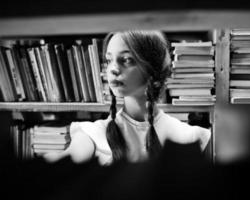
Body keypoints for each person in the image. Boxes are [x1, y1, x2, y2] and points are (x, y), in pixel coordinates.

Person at [44, 30, 211, 165]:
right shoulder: (93, 133)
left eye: (126, 60)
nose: (113, 69)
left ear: (152, 69)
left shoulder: (191, 137)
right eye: (109, 60)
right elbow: (66, 161)